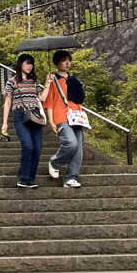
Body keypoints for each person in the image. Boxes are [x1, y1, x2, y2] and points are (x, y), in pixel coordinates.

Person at [1, 54, 47, 188]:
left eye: (31, 63)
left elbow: (42, 98)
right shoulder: (12, 81)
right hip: (20, 115)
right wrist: (5, 123)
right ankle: (23, 177)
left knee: (37, 148)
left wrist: (48, 84)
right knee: (28, 145)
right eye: (27, 63)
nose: (30, 66)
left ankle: (31, 179)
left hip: (35, 115)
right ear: (21, 64)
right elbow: (8, 102)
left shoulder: (34, 81)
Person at [44, 49, 88, 189]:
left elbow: (79, 99)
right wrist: (51, 121)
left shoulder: (73, 79)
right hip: (60, 116)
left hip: (76, 116)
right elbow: (49, 102)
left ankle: (71, 177)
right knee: (71, 143)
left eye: (69, 60)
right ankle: (55, 162)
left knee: (78, 148)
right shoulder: (53, 80)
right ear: (57, 63)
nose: (67, 63)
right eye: (64, 60)